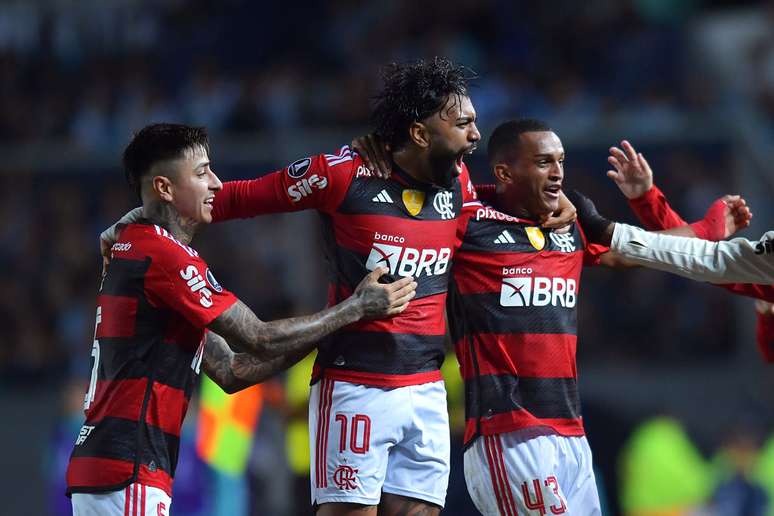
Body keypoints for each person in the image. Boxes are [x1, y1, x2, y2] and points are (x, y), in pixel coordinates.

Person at [68, 123, 416, 516]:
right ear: (165, 188)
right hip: (128, 467)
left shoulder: (137, 245)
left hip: (115, 466)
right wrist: (354, 308)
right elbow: (259, 338)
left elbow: (233, 370)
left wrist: (335, 327)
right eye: (201, 173)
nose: (216, 183)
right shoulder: (164, 256)